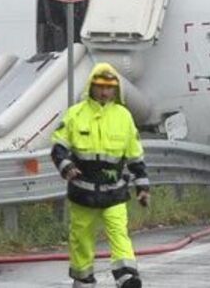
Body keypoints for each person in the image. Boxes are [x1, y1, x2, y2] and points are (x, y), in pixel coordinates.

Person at [50, 63, 150, 288]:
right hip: (83, 192)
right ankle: (83, 278)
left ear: (116, 90)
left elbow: (135, 156)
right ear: (91, 87)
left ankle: (126, 277)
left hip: (114, 191)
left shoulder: (124, 116)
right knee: (81, 238)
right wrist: (66, 167)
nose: (104, 92)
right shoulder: (75, 114)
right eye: (100, 86)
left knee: (119, 233)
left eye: (109, 87)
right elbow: (58, 146)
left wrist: (142, 187)